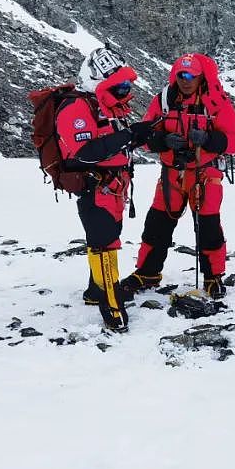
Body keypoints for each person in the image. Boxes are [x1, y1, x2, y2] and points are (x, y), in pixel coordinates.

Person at [120, 53, 235, 300]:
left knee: (209, 228)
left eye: (192, 76)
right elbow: (145, 136)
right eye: (181, 75)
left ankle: (213, 277)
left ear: (202, 78)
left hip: (205, 175)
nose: (186, 80)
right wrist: (161, 141)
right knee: (157, 224)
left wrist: (210, 140)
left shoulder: (216, 103)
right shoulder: (164, 100)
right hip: (171, 174)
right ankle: (147, 273)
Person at [56, 46, 155, 333]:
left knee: (107, 237)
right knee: (104, 244)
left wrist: (136, 135)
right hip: (94, 188)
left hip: (113, 188)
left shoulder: (105, 106)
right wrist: (128, 136)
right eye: (120, 85)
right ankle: (111, 307)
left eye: (127, 85)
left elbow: (112, 141)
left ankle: (94, 291)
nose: (126, 90)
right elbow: (84, 152)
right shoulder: (76, 109)